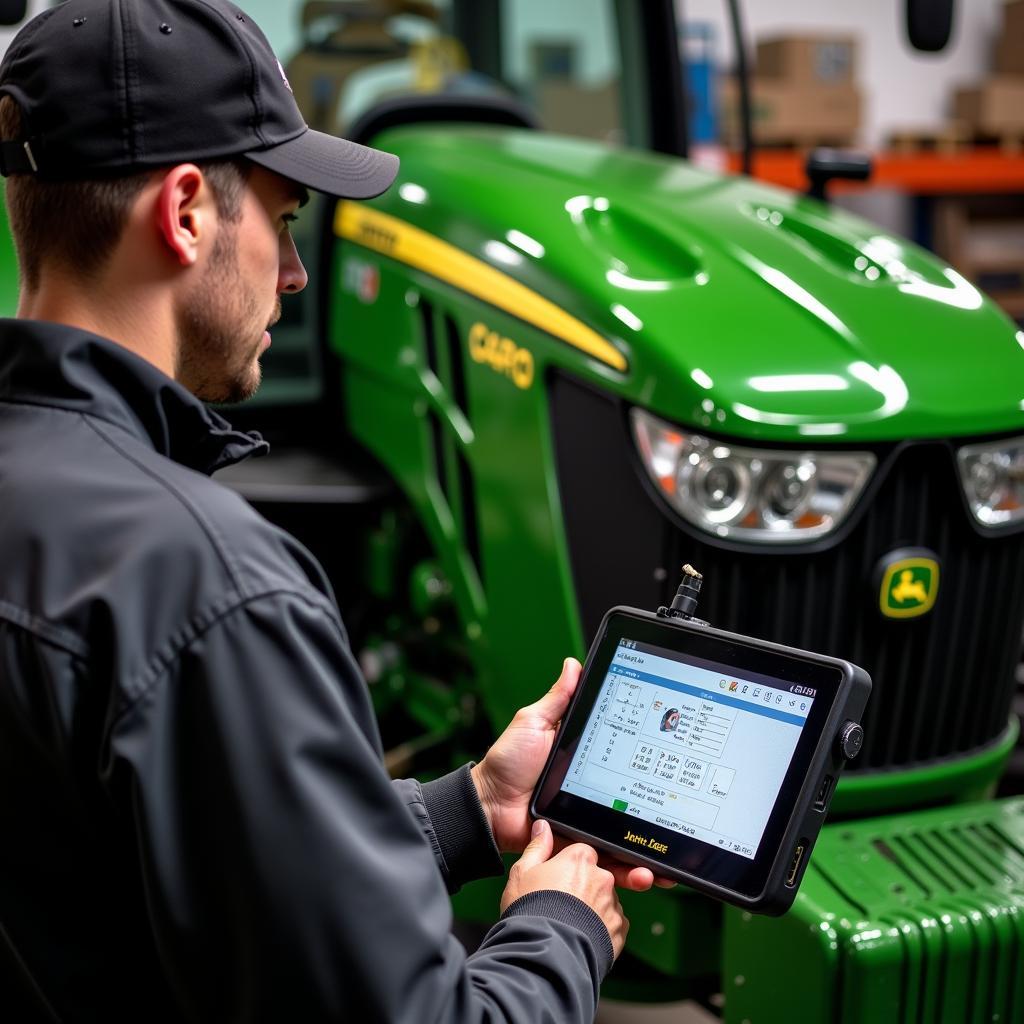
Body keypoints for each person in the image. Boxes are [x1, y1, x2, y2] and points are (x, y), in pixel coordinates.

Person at [0, 1, 662, 1021]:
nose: (299, 275)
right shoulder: (213, 586)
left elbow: (141, 858)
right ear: (186, 213)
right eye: (285, 223)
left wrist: (467, 810)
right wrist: (556, 927)